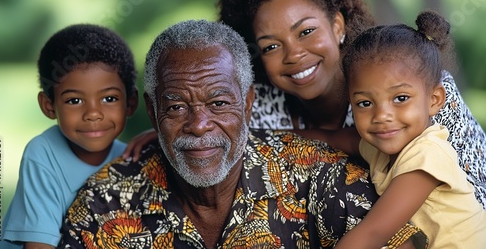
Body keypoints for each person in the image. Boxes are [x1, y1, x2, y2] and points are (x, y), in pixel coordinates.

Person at [58, 19, 427, 249]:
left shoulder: (322, 178)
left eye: (219, 103)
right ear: (153, 112)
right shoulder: (102, 205)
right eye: (176, 107)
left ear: (248, 103)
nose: (199, 125)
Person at [216, 0, 486, 209]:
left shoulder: (424, 91)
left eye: (306, 31)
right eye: (271, 46)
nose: (294, 54)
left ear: (337, 26)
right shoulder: (255, 107)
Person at [333, 10, 486, 248]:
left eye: (401, 98)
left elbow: (372, 234)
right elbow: (339, 139)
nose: (382, 115)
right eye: (365, 103)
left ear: (434, 100)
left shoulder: (428, 156)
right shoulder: (382, 147)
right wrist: (281, 136)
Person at [0, 24, 139, 249]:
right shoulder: (42, 154)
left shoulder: (130, 158)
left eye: (109, 99)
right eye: (74, 101)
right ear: (49, 106)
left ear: (130, 103)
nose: (93, 114)